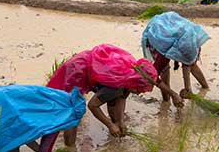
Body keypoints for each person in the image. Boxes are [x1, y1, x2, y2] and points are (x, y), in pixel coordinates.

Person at [47, 43, 182, 143]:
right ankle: (70, 150)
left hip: (95, 68)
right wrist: (110, 124)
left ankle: (112, 131)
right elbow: (93, 105)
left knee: (112, 102)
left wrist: (121, 121)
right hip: (78, 69)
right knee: (72, 112)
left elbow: (122, 98)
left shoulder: (130, 79)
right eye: (140, 90)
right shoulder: (116, 85)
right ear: (136, 84)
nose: (140, 93)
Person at [141, 11, 211, 99]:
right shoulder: (163, 53)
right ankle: (166, 100)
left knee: (192, 64)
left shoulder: (193, 40)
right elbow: (153, 76)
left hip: (174, 26)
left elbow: (188, 63)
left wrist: (187, 88)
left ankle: (206, 88)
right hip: (157, 33)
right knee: (164, 70)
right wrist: (173, 94)